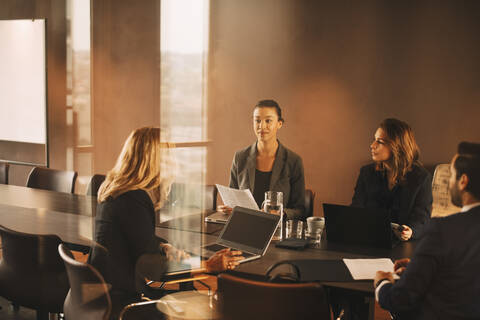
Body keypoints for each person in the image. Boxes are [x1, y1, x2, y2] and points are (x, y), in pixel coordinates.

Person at [88, 127, 244, 318]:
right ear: (152, 160)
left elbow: (140, 239)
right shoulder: (134, 198)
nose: (173, 162)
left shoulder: (115, 190)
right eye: (168, 156)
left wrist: (164, 246)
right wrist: (209, 266)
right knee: (208, 310)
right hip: (122, 303)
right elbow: (155, 269)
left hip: (100, 294)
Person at [374, 141, 480, 320]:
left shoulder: (442, 229)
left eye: (451, 176)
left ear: (463, 181)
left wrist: (382, 282)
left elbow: (399, 299)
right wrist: (420, 267)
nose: (449, 183)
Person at [222, 99, 306, 219]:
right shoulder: (240, 157)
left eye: (268, 121)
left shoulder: (293, 161)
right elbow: (232, 199)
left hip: (277, 231)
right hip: (244, 227)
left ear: (279, 123)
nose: (262, 126)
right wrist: (228, 208)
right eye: (257, 121)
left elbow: (301, 210)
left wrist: (283, 213)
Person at [352, 118, 432, 241]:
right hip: (369, 239)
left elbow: (422, 218)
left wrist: (410, 231)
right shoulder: (366, 172)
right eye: (374, 140)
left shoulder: (421, 177)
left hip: (402, 244)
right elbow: (356, 208)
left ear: (397, 146)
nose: (372, 145)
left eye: (379, 141)